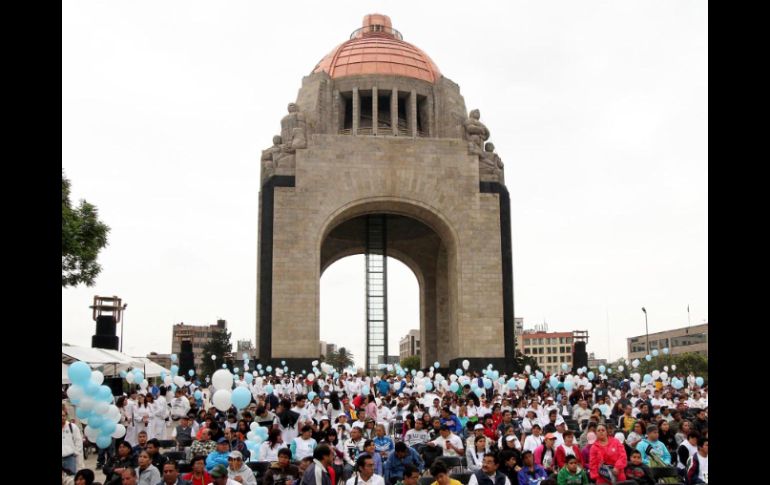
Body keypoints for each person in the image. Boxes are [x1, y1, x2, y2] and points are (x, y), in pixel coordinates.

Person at [62, 405, 84, 475]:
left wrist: (75, 453)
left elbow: (78, 442)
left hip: (70, 458)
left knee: (71, 478)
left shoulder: (72, 427)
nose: (62, 417)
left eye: (64, 415)